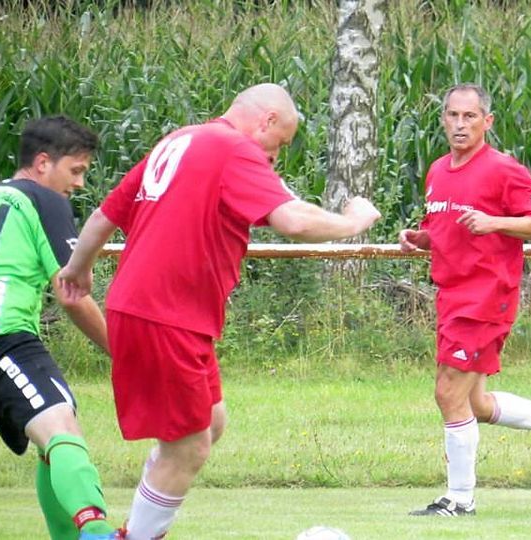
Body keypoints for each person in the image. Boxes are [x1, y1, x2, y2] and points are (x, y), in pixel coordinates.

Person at [57, 83, 381, 539]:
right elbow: (293, 220)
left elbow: (102, 217)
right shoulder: (233, 148)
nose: (276, 157)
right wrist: (353, 221)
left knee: (210, 421)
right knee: (189, 446)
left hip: (161, 311)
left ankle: (143, 518)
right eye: (281, 142)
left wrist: (78, 269)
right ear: (267, 120)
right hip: (165, 312)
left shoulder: (179, 140)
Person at [400, 83, 531, 517]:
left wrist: (495, 222)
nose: (460, 124)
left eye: (469, 116)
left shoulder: (503, 169)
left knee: (448, 393)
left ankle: (459, 500)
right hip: (452, 295)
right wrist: (421, 238)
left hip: (485, 298)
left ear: (487, 121)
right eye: (452, 115)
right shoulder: (438, 170)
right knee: (475, 404)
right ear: (443, 119)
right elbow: (447, 229)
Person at [0, 115, 121, 539]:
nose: (79, 183)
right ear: (42, 164)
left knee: (50, 436)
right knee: (61, 430)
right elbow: (71, 294)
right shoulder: (42, 199)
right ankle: (97, 532)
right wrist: (124, 354)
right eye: (76, 170)